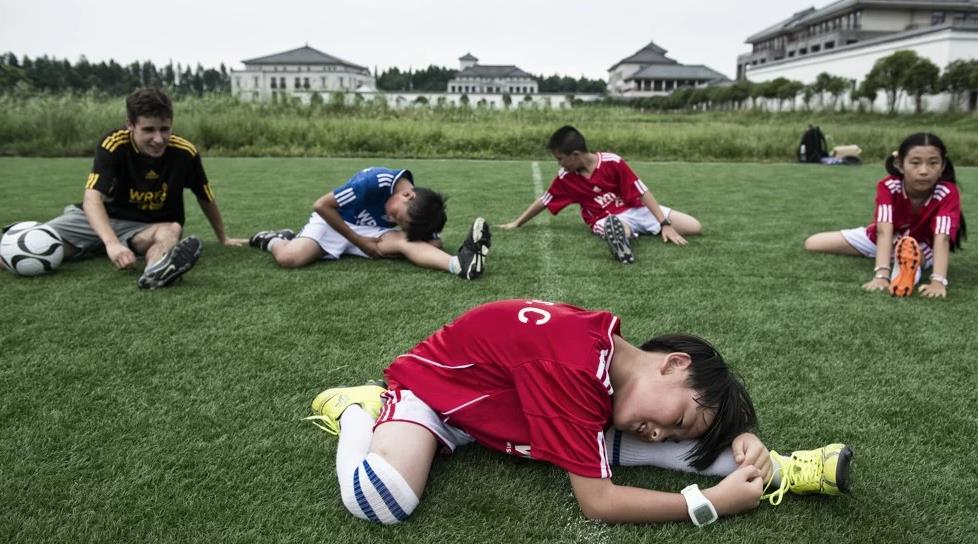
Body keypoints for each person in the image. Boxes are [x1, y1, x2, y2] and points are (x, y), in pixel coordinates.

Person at [306, 299, 853, 525]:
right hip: (435, 394)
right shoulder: (574, 369)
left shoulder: (608, 364)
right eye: (677, 419)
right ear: (673, 364)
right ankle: (362, 407)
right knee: (379, 502)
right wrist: (706, 505)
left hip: (505, 410)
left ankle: (786, 467)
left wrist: (745, 439)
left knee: (673, 453)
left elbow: (679, 426)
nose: (659, 433)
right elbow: (598, 502)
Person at [33, 87, 245, 288]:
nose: (158, 139)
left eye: (165, 129)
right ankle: (97, 247)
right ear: (130, 125)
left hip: (147, 229)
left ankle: (155, 271)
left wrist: (223, 238)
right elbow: (92, 199)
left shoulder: (184, 153)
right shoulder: (113, 144)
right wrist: (112, 243)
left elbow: (205, 196)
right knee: (31, 249)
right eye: (148, 130)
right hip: (99, 220)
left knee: (171, 230)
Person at [499, 125, 702, 264]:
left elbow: (642, 191)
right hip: (602, 218)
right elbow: (545, 200)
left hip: (635, 209)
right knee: (617, 226)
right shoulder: (565, 177)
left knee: (694, 226)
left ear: (575, 155)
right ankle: (623, 240)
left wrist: (664, 224)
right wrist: (517, 223)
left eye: (560, 159)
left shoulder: (612, 162)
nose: (559, 164)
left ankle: (642, 232)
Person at [248, 167, 490, 279]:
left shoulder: (420, 207)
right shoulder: (373, 181)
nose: (393, 220)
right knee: (290, 259)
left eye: (397, 221)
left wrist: (425, 242)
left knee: (409, 243)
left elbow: (433, 239)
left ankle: (459, 264)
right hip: (334, 220)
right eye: (397, 218)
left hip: (370, 232)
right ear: (407, 195)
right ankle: (273, 240)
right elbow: (321, 205)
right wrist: (361, 243)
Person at [805, 133, 965, 298]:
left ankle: (907, 266)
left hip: (922, 245)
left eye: (933, 163)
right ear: (900, 165)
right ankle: (893, 256)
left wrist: (938, 282)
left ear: (942, 166)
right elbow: (883, 229)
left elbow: (942, 237)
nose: (924, 171)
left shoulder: (947, 192)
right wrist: (881, 275)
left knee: (912, 256)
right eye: (915, 163)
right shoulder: (888, 186)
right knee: (813, 243)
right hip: (883, 238)